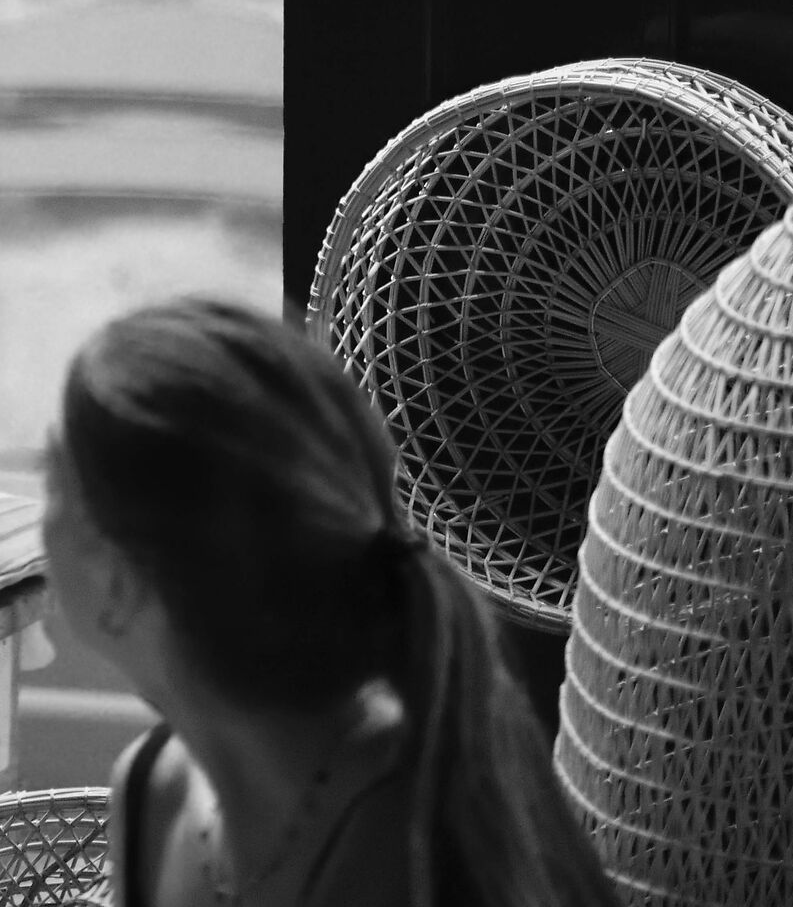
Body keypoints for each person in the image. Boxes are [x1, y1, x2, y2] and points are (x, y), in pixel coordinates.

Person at [43, 301, 618, 907]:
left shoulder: (406, 854)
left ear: (118, 586)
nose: (38, 520)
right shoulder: (151, 790)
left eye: (50, 481)